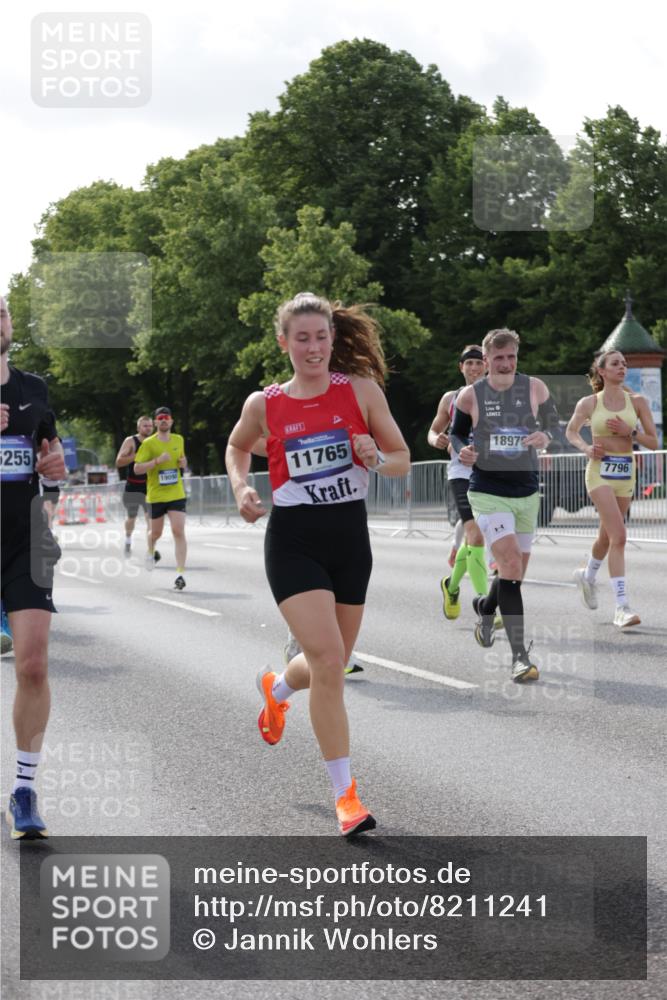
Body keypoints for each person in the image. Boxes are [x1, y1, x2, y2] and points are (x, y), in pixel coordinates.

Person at [226, 292, 410, 836]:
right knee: (330, 662)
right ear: (283, 342)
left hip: (350, 541)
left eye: (321, 337)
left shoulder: (359, 392)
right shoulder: (266, 403)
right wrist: (240, 488)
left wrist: (376, 457)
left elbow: (400, 459)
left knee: (330, 660)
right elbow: (238, 447)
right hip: (293, 542)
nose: (313, 347)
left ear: (333, 339)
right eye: (301, 338)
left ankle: (278, 689)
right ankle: (346, 798)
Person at [449, 328, 560, 683]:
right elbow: (455, 432)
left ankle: (485, 606)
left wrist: (545, 435)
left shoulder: (534, 388)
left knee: (515, 573)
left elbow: (553, 423)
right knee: (509, 561)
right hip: (487, 490)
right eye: (498, 358)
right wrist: (462, 449)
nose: (506, 363)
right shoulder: (471, 395)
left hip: (526, 491)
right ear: (486, 360)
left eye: (511, 356)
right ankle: (519, 657)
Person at [1, 294, 66, 838]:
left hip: (25, 541)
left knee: (33, 666)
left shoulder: (34, 390)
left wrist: (56, 469)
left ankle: (23, 791)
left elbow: (50, 464)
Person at [566, 350, 658, 627]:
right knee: (619, 536)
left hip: (625, 475)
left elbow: (653, 442)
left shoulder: (638, 402)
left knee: (606, 537)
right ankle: (622, 607)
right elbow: (570, 431)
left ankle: (587, 576)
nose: (622, 367)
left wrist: (628, 432)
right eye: (616, 363)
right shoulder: (590, 403)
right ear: (602, 371)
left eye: (624, 364)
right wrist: (585, 447)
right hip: (599, 475)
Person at [428, 346, 494, 620]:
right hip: (461, 472)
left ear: (487, 366)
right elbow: (433, 431)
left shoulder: (497, 396)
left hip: (491, 473)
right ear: (461, 367)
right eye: (469, 363)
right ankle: (485, 606)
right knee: (475, 534)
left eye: (479, 363)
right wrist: (438, 440)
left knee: (476, 535)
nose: (475, 368)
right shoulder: (451, 398)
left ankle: (451, 586)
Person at [133, 407, 188, 590]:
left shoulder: (179, 440)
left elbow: (182, 460)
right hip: (156, 495)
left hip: (176, 493)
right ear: (156, 422)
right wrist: (156, 461)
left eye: (167, 418)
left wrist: (183, 463)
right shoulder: (148, 444)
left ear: (171, 421)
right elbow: (137, 468)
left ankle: (180, 574)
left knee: (178, 531)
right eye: (160, 418)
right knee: (155, 533)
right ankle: (150, 551)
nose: (164, 421)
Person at [115, 415, 158, 559]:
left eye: (150, 425)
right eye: (145, 426)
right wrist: (136, 456)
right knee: (131, 519)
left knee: (150, 520)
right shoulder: (130, 441)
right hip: (133, 487)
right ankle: (128, 539)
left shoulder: (156, 441)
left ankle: (151, 552)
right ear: (139, 428)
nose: (148, 428)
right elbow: (119, 462)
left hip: (149, 487)